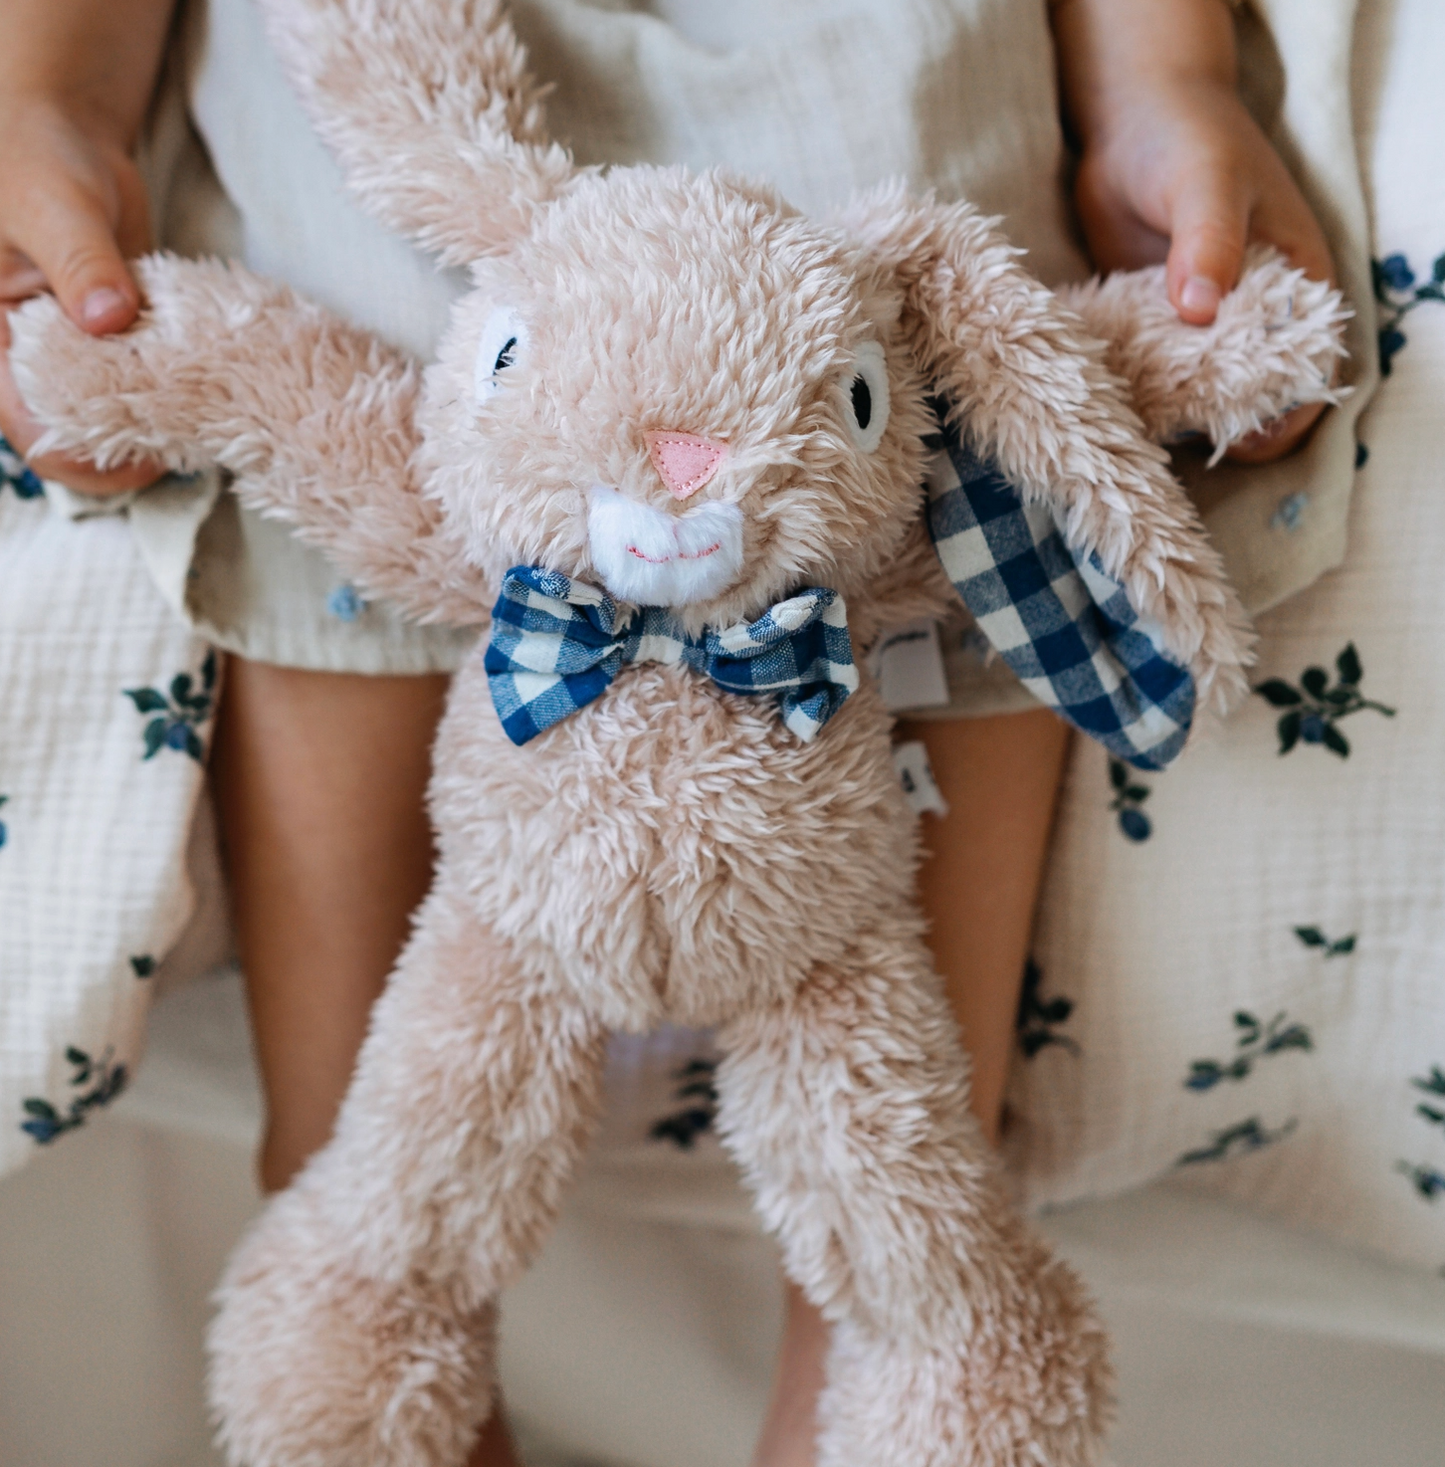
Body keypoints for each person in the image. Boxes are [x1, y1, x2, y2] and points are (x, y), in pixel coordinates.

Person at [0, 1, 1334, 1463]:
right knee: (365, 1183)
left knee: (913, 1221)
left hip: (883, 122)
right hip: (396, 223)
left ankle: (899, 1366)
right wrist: (55, 92)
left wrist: (1159, 81)